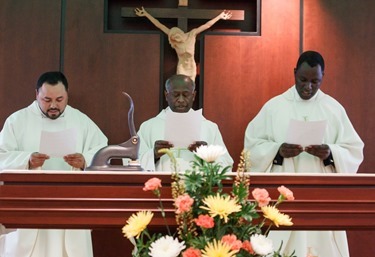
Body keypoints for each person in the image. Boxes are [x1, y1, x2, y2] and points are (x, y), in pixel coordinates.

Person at [244, 51, 364, 257]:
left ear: (323, 76)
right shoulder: (274, 107)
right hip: (284, 193)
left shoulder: (333, 109)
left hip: (322, 196)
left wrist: (330, 153)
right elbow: (251, 148)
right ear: (294, 73)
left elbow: (354, 149)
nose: (308, 87)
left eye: (315, 81)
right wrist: (278, 151)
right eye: (303, 80)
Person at [0, 71, 108, 257]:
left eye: (59, 99)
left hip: (70, 203)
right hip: (29, 203)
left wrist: (84, 161)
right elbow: (2, 155)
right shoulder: (17, 121)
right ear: (36, 95)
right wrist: (27, 160)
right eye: (46, 99)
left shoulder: (81, 121)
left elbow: (103, 151)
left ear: (67, 95)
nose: (53, 105)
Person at [138, 74, 233, 171]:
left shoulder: (209, 128)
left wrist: (207, 154)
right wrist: (153, 154)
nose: (181, 100)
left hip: (198, 185)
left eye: (185, 95)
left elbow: (226, 165)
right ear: (166, 95)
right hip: (161, 185)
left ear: (193, 95)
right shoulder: (148, 127)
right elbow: (133, 162)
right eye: (175, 95)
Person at [134, 7, 232, 81]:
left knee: (190, 89)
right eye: (173, 39)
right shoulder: (176, 43)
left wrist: (220, 16)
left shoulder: (192, 34)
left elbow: (207, 25)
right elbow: (159, 25)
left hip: (191, 67)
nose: (176, 39)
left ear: (179, 33)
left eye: (176, 36)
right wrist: (146, 14)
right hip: (181, 68)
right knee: (180, 87)